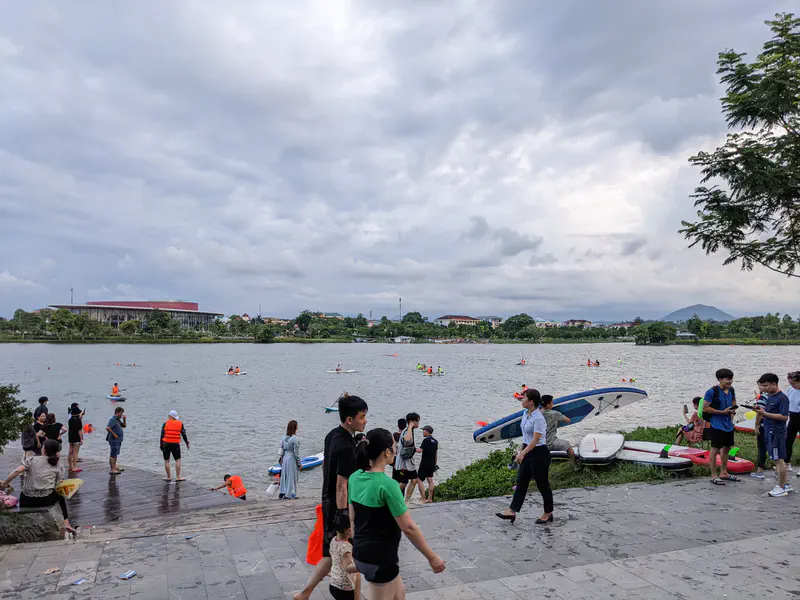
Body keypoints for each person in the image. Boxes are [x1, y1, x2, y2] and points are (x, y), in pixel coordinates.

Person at [349, 428, 445, 598]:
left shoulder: (354, 477)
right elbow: (408, 528)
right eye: (394, 447)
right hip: (380, 560)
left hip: (361, 554)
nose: (396, 450)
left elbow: (352, 518)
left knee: (399, 595)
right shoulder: (388, 485)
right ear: (387, 452)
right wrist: (432, 557)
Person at [293, 394, 368, 600]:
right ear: (349, 420)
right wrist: (344, 515)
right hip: (339, 506)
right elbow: (342, 484)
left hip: (328, 500)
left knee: (331, 553)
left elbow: (327, 468)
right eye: (362, 417)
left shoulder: (332, 435)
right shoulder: (346, 446)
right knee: (350, 553)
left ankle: (305, 593)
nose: (365, 421)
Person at [496, 388, 553, 524]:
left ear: (531, 402)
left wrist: (523, 453)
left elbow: (536, 439)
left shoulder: (538, 418)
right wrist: (521, 450)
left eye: (524, 398)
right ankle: (512, 511)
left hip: (539, 453)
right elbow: (527, 436)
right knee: (521, 481)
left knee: (542, 484)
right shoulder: (525, 414)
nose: (522, 400)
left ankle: (548, 512)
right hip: (527, 450)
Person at [1, 439, 75, 534]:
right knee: (61, 496)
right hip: (45, 500)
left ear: (44, 450)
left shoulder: (31, 460)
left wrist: (4, 483)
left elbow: (17, 471)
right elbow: (59, 486)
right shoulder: (58, 466)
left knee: (24, 491)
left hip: (26, 500)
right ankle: (66, 523)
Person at [755, 373, 791, 497]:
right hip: (768, 430)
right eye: (763, 386)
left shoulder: (782, 398)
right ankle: (785, 484)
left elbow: (784, 416)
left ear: (774, 384)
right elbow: (767, 411)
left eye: (766, 386)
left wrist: (765, 414)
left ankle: (781, 487)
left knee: (778, 459)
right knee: (776, 459)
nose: (764, 388)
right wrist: (760, 411)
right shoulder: (769, 396)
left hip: (776, 432)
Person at [702, 368, 739, 485]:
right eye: (727, 379)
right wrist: (722, 412)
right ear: (720, 379)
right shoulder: (711, 392)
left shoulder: (731, 390)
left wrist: (732, 412)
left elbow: (734, 402)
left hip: (728, 425)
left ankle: (724, 472)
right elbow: (705, 408)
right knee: (715, 449)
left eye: (731, 379)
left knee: (727, 448)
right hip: (716, 424)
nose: (730, 381)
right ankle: (714, 475)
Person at [541, 395, 577, 468]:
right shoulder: (554, 413)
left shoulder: (537, 413)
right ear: (548, 405)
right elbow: (568, 420)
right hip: (549, 442)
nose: (553, 404)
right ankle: (575, 465)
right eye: (552, 402)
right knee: (567, 445)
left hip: (539, 443)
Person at [328, 519, 360, 600]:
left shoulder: (334, 540)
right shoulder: (346, 548)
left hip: (334, 583)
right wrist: (361, 565)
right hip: (344, 587)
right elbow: (348, 567)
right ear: (349, 531)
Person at [394, 412, 420, 500]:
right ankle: (391, 497)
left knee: (414, 480)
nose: (418, 423)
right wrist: (410, 426)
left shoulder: (410, 430)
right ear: (412, 421)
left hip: (409, 462)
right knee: (404, 483)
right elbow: (407, 439)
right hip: (403, 463)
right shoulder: (407, 430)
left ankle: (407, 501)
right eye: (417, 421)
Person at [161, 409, 190, 481]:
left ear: (170, 416)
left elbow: (162, 436)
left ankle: (168, 477)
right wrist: (187, 443)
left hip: (166, 444)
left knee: (167, 461)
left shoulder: (165, 424)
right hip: (175, 444)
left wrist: (161, 445)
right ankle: (178, 477)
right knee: (178, 460)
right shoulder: (180, 424)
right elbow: (183, 434)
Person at [750, 383, 769, 479]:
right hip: (772, 426)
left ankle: (760, 470)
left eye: (760, 385)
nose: (759, 387)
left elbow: (759, 413)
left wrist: (756, 425)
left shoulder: (763, 397)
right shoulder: (775, 395)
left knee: (762, 447)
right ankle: (778, 471)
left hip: (763, 425)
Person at [279, 420, 301, 499]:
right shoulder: (296, 439)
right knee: (291, 476)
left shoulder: (283, 437)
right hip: (291, 459)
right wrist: (299, 463)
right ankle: (290, 494)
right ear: (295, 427)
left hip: (285, 458)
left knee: (284, 476)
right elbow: (296, 453)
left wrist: (281, 459)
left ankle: (282, 492)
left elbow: (281, 448)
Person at [417, 425, 438, 503]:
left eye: (423, 430)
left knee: (419, 479)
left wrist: (412, 449)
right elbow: (436, 454)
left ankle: (423, 498)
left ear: (426, 431)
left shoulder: (426, 440)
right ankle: (430, 499)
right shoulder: (435, 441)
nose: (423, 432)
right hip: (432, 464)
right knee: (430, 480)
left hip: (424, 463)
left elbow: (420, 450)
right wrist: (434, 464)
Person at [786, 371, 800, 472]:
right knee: (787, 440)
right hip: (792, 416)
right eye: (790, 383)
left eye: (794, 383)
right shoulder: (790, 389)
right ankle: (786, 463)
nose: (792, 385)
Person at [106, 406, 126, 475]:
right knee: (113, 454)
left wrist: (124, 420)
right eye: (121, 413)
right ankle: (112, 469)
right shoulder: (113, 419)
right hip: (113, 440)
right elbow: (108, 428)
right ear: (117, 413)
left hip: (118, 440)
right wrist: (114, 434)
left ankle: (114, 467)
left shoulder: (117, 419)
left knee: (115, 454)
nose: (121, 415)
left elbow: (124, 426)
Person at [67, 405, 84, 473]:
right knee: (75, 453)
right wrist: (81, 439)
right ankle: (74, 467)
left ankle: (70, 466)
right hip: (76, 437)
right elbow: (79, 430)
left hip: (70, 436)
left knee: (70, 451)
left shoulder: (70, 419)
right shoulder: (78, 420)